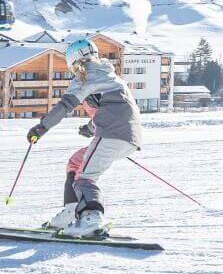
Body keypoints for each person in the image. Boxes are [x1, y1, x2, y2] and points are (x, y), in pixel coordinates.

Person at [26, 37, 143, 238]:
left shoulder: (87, 76)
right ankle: (72, 212)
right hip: (127, 136)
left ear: (73, 62)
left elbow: (65, 106)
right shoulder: (109, 75)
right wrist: (90, 128)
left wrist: (41, 128)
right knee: (75, 163)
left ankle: (92, 218)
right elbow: (115, 108)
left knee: (84, 178)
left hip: (111, 134)